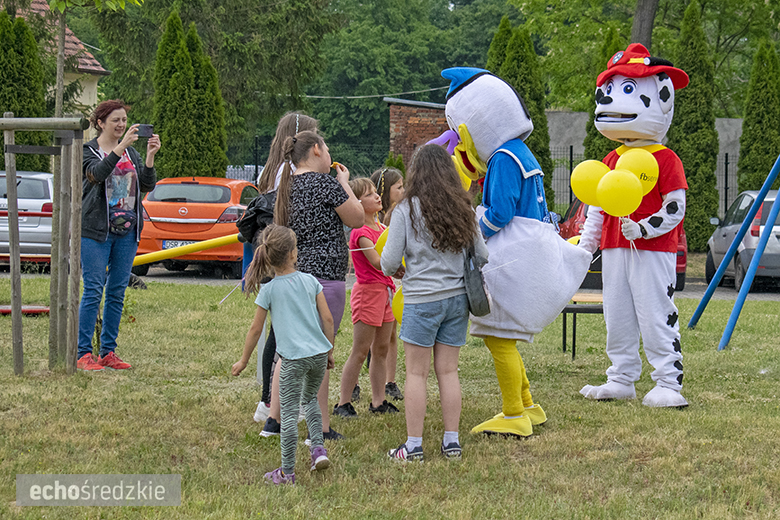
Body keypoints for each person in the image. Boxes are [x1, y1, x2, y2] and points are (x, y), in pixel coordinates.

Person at [381, 144, 488, 462]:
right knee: (449, 371)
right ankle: (451, 442)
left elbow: (388, 263)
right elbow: (482, 255)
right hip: (457, 300)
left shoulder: (405, 209)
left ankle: (413, 446)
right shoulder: (463, 208)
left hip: (421, 301)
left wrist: (404, 264)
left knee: (416, 374)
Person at [260, 130, 363, 440]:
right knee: (320, 353)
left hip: (292, 275)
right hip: (325, 279)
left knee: (287, 350)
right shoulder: (326, 185)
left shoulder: (286, 187)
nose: (330, 155)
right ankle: (320, 427)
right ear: (316, 150)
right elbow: (357, 218)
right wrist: (344, 182)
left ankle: (273, 421)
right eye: (327, 148)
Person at [232, 225, 335, 485]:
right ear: (293, 254)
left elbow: (256, 329)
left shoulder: (269, 290)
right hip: (318, 355)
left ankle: (287, 473)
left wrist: (244, 360)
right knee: (310, 400)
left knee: (288, 414)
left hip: (292, 360)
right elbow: (328, 319)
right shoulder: (311, 281)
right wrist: (329, 350)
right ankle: (317, 450)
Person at [245, 112, 318, 425]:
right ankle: (268, 400)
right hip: (284, 254)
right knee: (280, 335)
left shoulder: (274, 168)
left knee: (279, 332)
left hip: (280, 252)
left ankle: (268, 400)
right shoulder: (288, 171)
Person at [77, 99, 160, 371]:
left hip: (127, 231)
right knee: (93, 290)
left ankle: (108, 352)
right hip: (96, 231)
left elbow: (147, 185)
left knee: (116, 292)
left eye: (124, 120)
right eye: (116, 120)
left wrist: (149, 157)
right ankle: (83, 353)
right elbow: (97, 175)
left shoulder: (132, 154)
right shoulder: (88, 151)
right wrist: (120, 147)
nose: (121, 125)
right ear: (100, 123)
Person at [333, 178, 401, 418]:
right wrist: (396, 267)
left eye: (376, 192)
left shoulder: (383, 229)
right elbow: (376, 261)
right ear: (357, 203)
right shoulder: (360, 232)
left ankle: (378, 400)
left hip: (386, 292)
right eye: (370, 194)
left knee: (381, 349)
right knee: (360, 350)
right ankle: (343, 402)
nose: (377, 196)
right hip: (368, 293)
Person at [370, 167, 405, 401]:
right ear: (385, 191)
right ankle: (377, 377)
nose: (404, 191)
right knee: (379, 335)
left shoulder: (401, 213)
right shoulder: (379, 220)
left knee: (392, 333)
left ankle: (390, 380)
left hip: (394, 282)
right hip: (381, 282)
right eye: (399, 187)